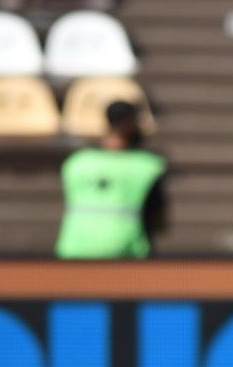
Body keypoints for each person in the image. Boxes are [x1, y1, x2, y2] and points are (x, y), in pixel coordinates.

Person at [55, 101, 169, 260]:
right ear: (131, 124)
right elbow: (159, 221)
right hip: (126, 253)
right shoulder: (148, 166)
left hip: (73, 248)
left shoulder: (77, 163)